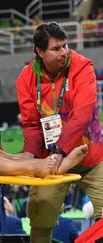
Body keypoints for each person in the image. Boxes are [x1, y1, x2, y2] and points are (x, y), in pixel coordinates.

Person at [16, 21, 103, 242]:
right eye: (56, 48)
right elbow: (32, 126)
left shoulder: (83, 67)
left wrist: (60, 150)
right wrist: (30, 157)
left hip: (92, 158)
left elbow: (81, 116)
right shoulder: (25, 79)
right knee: (40, 222)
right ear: (40, 51)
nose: (64, 52)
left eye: (65, 45)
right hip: (52, 163)